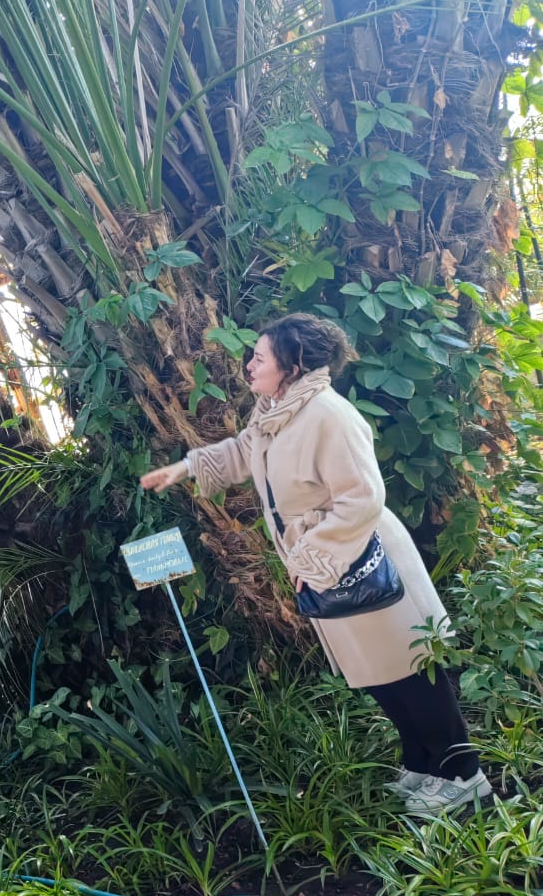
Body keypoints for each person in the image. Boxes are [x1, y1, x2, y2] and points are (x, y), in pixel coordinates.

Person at [139, 312, 488, 815]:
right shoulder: (275, 411)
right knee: (374, 669)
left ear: (294, 364)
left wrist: (313, 557)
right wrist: (187, 467)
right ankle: (423, 763)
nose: (249, 364)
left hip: (360, 556)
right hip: (323, 563)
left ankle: (462, 774)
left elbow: (362, 498)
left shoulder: (329, 415)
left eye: (260, 357)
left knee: (409, 668)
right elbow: (244, 450)